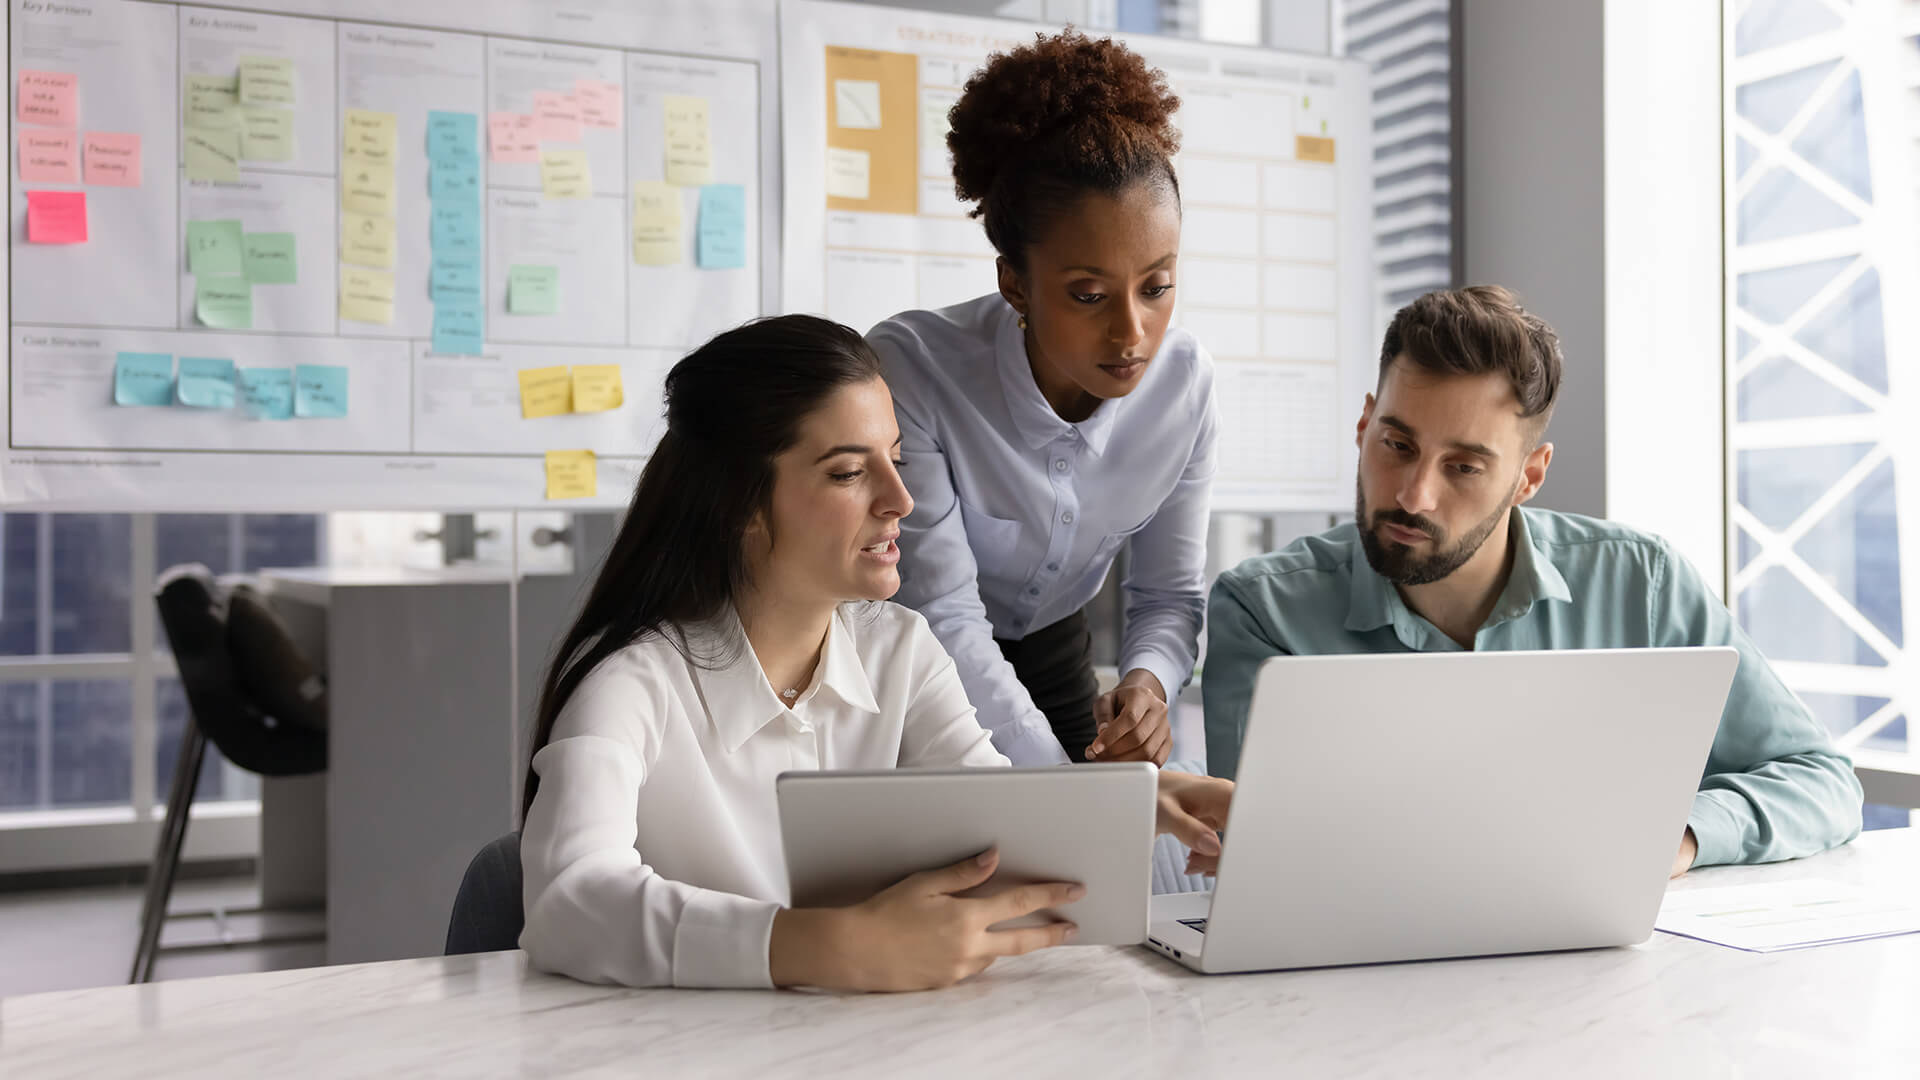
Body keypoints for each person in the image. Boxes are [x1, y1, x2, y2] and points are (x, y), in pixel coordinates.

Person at [519, 315, 1233, 991]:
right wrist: (831, 946)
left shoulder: (900, 650)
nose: (901, 499)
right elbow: (569, 901)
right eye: (846, 473)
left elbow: (998, 823)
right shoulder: (631, 684)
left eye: (895, 460)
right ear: (740, 503)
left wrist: (1141, 802)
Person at [1202, 286, 1862, 876]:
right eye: (1397, 445)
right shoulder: (1263, 610)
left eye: (1463, 467)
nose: (1413, 495)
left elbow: (1821, 781)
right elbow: (1260, 857)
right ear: (1364, 424)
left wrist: (1681, 835)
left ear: (1529, 476)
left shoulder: (1642, 582)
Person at [868, 29, 1217, 768]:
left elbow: (1167, 595)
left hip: (1054, 645)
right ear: (1015, 284)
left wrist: (1148, 689)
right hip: (914, 654)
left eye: (1157, 287)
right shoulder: (916, 369)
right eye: (1089, 294)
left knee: (1126, 851)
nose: (1133, 332)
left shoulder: (1186, 385)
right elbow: (944, 615)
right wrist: (1062, 790)